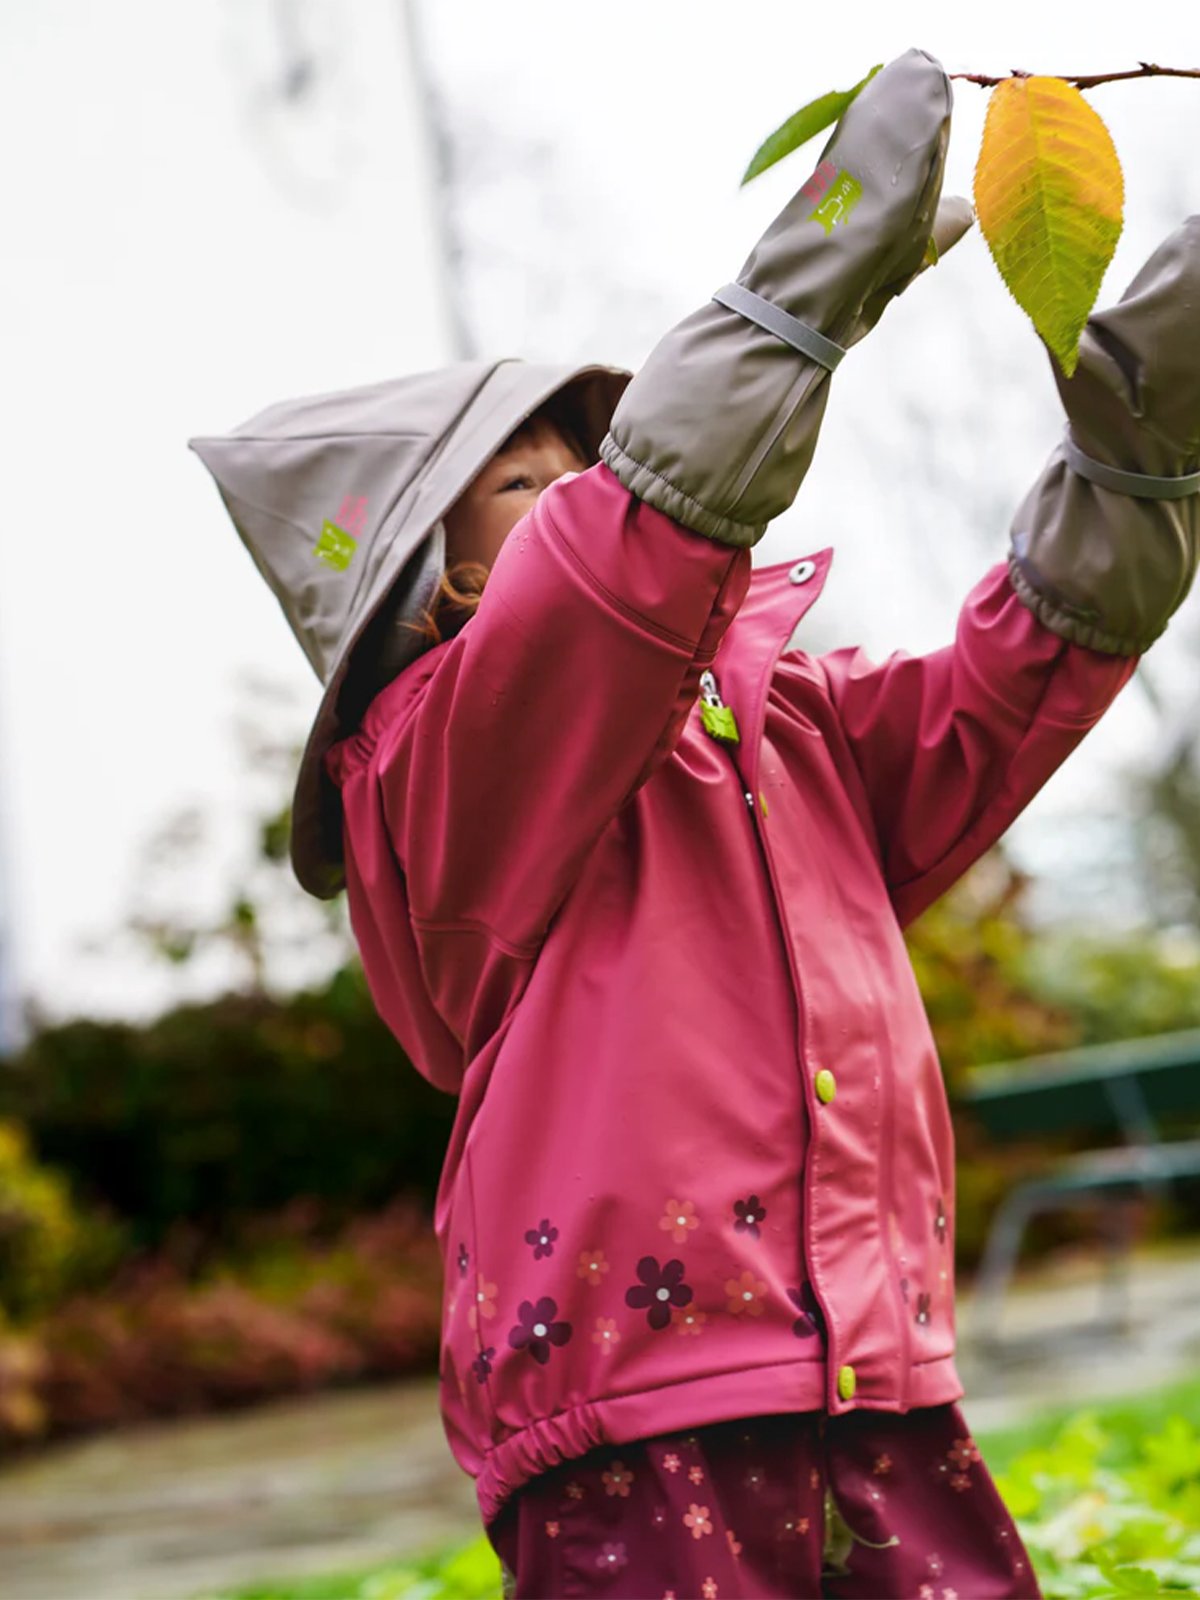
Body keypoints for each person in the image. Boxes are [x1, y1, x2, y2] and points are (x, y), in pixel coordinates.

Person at [190, 45, 1200, 1600]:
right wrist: (800, 297)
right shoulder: (443, 766)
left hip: (866, 1362)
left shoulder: (771, 721)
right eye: (529, 485)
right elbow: (625, 558)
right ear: (445, 585)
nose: (585, 489)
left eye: (582, 464)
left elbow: (996, 701)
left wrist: (1134, 480)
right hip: (640, 1399)